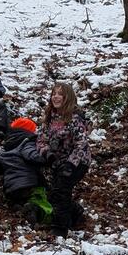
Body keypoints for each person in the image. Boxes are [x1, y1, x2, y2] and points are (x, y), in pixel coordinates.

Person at [37, 82, 92, 236]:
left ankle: (60, 229)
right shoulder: (49, 118)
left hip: (78, 161)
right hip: (57, 161)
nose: (56, 97)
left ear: (67, 97)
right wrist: (47, 153)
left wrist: (70, 164)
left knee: (61, 189)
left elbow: (81, 144)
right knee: (55, 192)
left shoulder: (74, 118)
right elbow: (41, 140)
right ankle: (75, 214)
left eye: (60, 94)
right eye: (54, 93)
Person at [0, 116, 51, 216]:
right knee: (42, 202)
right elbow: (34, 161)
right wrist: (47, 160)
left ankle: (18, 206)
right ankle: (34, 210)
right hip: (30, 184)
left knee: (17, 199)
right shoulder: (30, 144)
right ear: (31, 132)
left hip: (12, 189)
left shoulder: (5, 154)